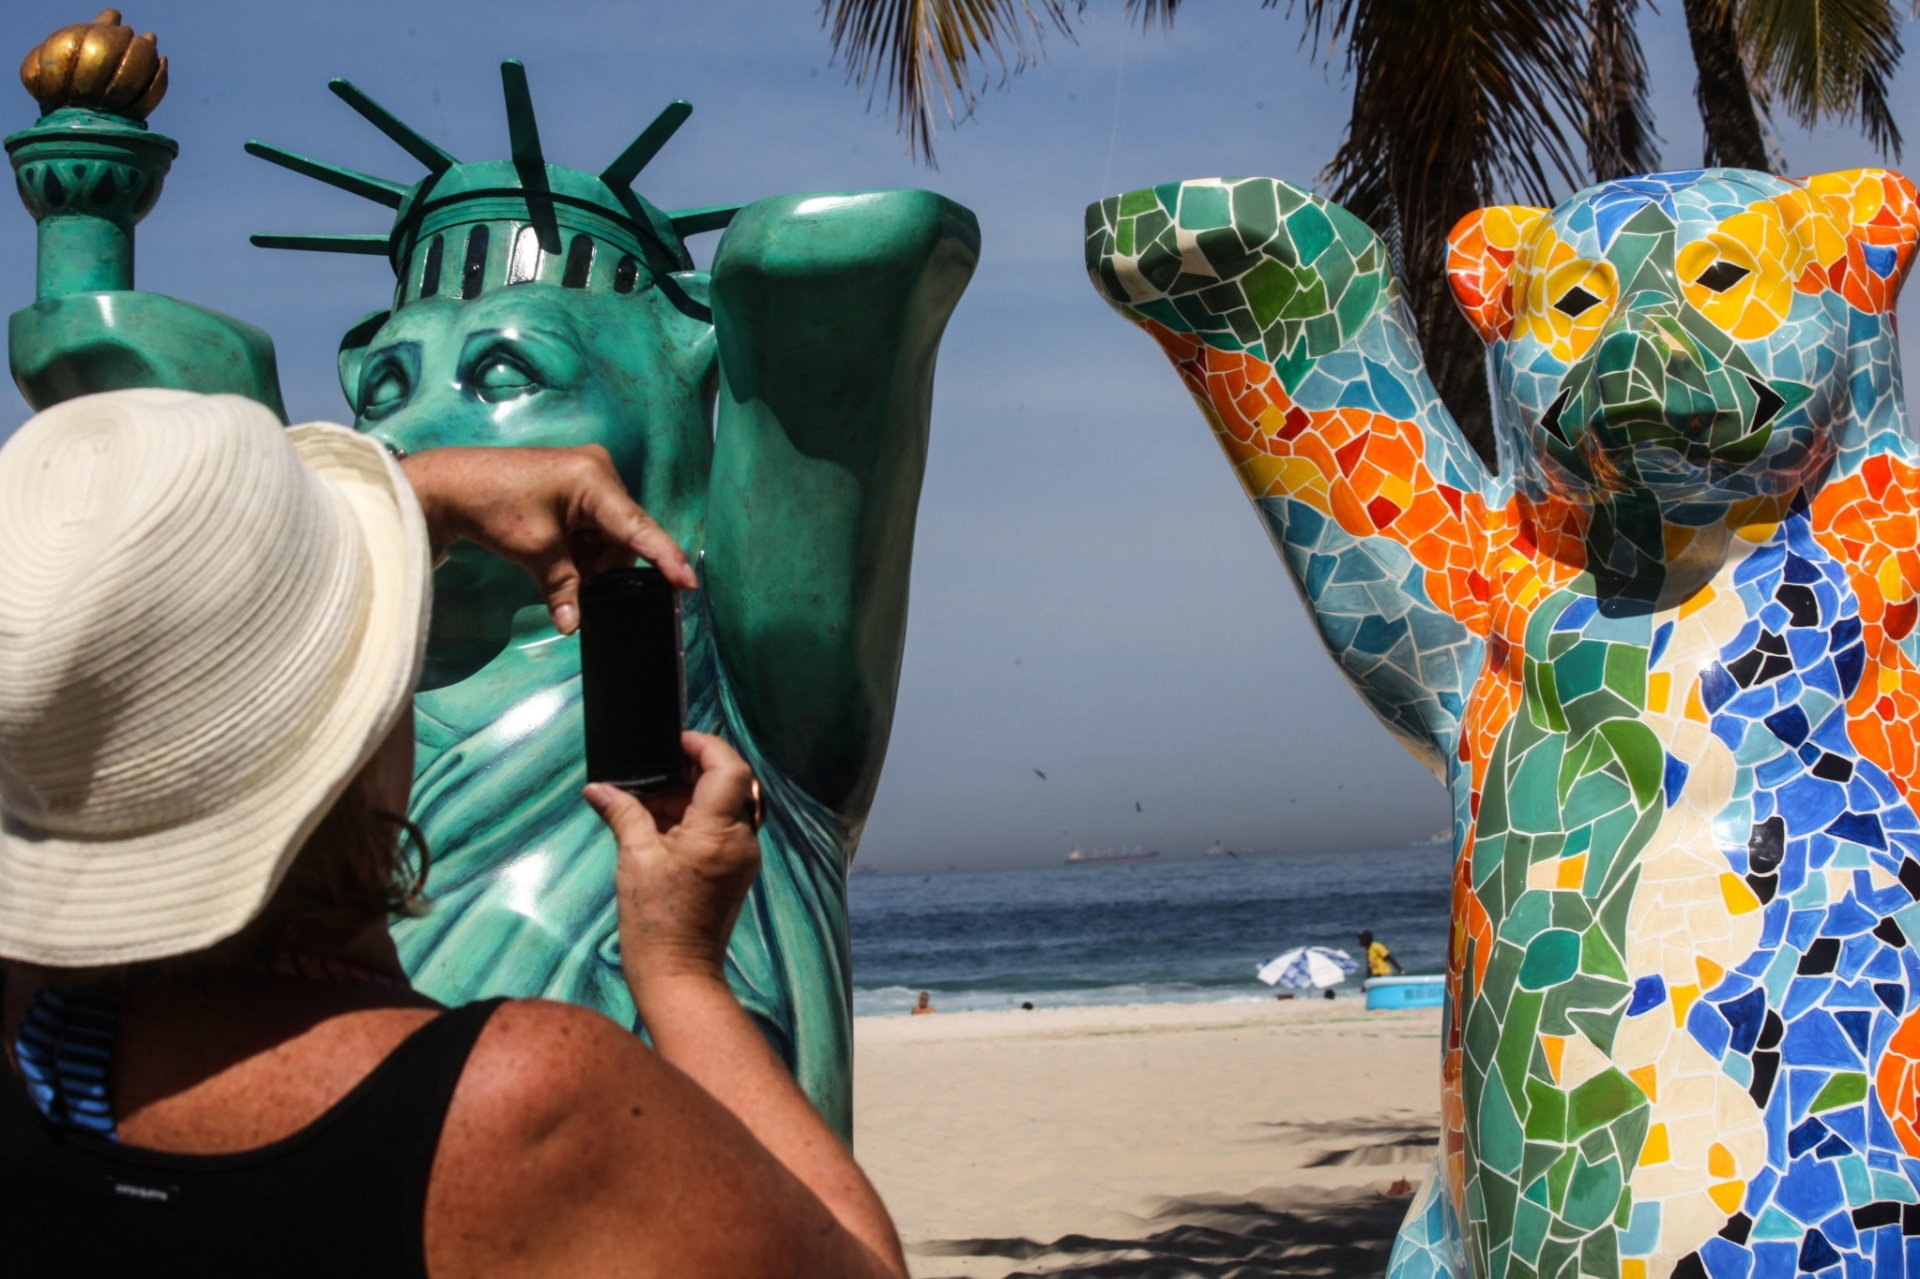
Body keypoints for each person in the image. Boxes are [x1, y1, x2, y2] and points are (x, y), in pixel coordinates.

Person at [0, 389, 908, 1278]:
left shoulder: (30, 1032)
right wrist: (681, 971)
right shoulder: (514, 1106)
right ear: (361, 734)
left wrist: (417, 504)